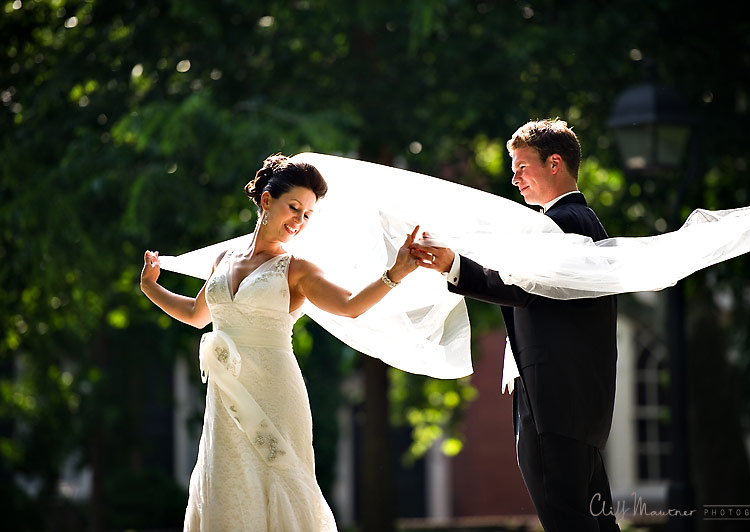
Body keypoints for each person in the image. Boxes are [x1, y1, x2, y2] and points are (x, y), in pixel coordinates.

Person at [140, 154, 419, 531]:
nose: (299, 221)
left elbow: (350, 306)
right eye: (294, 207)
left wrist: (395, 273)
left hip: (274, 392)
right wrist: (150, 286)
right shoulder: (224, 258)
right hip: (225, 398)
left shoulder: (297, 268)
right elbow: (195, 314)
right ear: (267, 200)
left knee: (279, 480)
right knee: (229, 482)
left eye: (307, 214)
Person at [411, 119, 621, 532]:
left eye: (523, 166)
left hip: (553, 406)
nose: (514, 177)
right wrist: (452, 264)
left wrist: (453, 265)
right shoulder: (583, 220)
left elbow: (520, 287)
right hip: (579, 409)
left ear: (555, 163)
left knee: (568, 522)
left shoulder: (563, 223)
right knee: (596, 523)